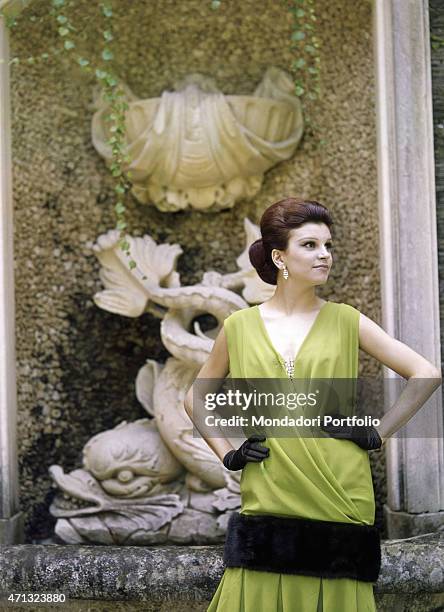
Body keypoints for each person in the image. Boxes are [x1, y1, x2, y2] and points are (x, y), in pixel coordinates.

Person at [184, 197, 442, 612]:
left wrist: (378, 433)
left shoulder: (347, 319)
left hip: (339, 488)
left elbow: (426, 373)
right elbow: (195, 399)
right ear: (278, 257)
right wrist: (229, 455)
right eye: (309, 245)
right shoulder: (239, 326)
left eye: (328, 245)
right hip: (270, 487)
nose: (324, 254)